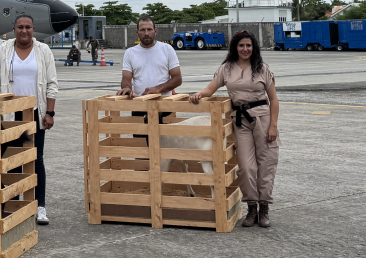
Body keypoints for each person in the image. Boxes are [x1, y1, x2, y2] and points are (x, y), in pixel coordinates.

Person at [188, 30, 281, 227]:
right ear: (235, 48)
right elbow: (210, 89)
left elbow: (273, 99)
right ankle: (251, 207)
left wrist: (273, 126)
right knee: (246, 167)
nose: (245, 49)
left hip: (263, 118)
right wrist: (199, 94)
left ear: (253, 47)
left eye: (248, 45)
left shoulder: (262, 68)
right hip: (240, 120)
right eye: (241, 45)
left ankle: (264, 208)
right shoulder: (227, 69)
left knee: (266, 164)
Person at [0, 13, 58, 225]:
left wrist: (50, 113)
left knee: (37, 160)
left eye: (28, 27)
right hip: (10, 114)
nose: (24, 31)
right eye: (20, 27)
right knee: (11, 161)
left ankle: (40, 206)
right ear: (13, 29)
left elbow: (52, 84)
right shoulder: (4, 50)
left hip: (36, 112)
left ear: (33, 29)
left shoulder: (43, 51)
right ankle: (13, 203)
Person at [117, 17, 181, 98]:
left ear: (155, 31)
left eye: (149, 29)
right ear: (137, 33)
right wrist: (127, 88)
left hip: (163, 104)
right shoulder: (130, 53)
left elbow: (177, 79)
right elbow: (126, 78)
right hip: (139, 104)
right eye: (142, 30)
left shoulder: (167, 49)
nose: (146, 33)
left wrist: (157, 89)